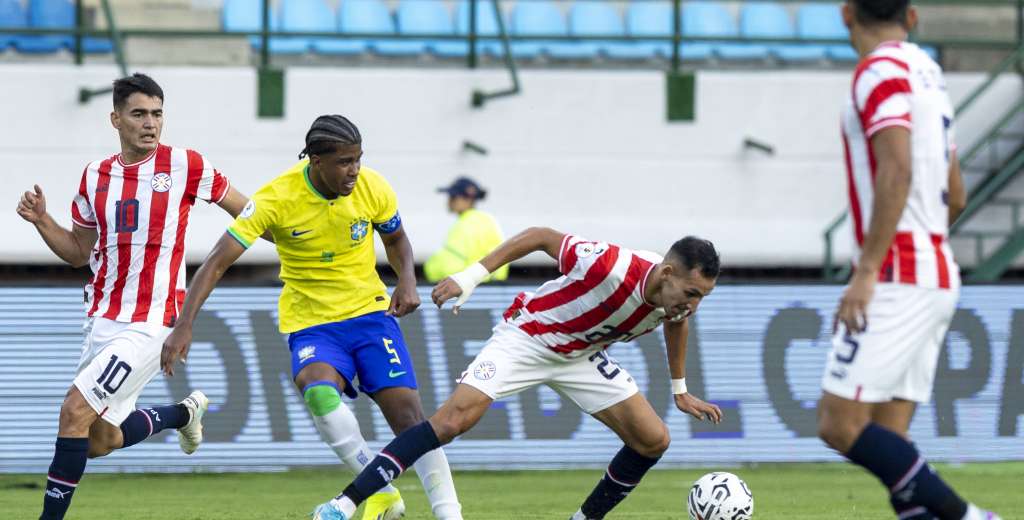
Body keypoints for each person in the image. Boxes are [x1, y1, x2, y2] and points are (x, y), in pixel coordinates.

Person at [160, 115, 463, 520]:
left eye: (357, 159)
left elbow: (396, 240)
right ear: (316, 161)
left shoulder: (373, 186)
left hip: (371, 315)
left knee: (410, 419)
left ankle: (450, 515)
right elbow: (216, 261)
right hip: (313, 324)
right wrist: (185, 322)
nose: (354, 170)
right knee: (317, 390)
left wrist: (406, 280)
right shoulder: (277, 198)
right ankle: (383, 492)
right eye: (343, 162)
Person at [311, 227, 725, 520]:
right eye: (691, 294)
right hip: (528, 336)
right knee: (453, 421)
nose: (693, 305)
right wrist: (471, 276)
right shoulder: (613, 265)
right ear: (668, 274)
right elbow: (541, 236)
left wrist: (680, 388)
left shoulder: (676, 302)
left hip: (580, 355)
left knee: (653, 440)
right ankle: (343, 505)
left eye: (702, 298)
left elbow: (677, 321)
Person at [16, 73, 256, 520]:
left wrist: (221, 265)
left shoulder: (185, 165)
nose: (150, 124)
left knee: (73, 411)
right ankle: (182, 415)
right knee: (97, 440)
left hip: (153, 321)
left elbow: (250, 211)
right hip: (102, 320)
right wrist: (42, 221)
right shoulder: (94, 176)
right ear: (116, 119)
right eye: (139, 114)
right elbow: (78, 252)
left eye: (157, 114)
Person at [816, 2, 999, 520]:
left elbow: (896, 169)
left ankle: (969, 517)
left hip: (896, 273)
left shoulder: (878, 72)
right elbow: (954, 192)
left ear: (846, 13)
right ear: (913, 16)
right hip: (936, 269)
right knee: (891, 441)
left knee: (839, 423)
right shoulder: (928, 73)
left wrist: (868, 270)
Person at [424, 176, 508, 283]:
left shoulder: (465, 224)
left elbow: (449, 266)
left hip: (469, 289)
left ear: (467, 199)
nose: (449, 200)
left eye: (453, 196)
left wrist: (430, 268)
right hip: (491, 288)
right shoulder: (488, 220)